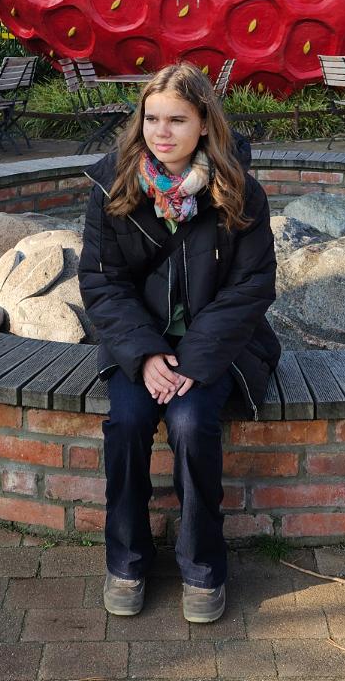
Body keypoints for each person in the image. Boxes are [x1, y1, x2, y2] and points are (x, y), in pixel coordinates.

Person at [78, 63, 280, 624]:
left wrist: (194, 360)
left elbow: (251, 284)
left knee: (191, 424)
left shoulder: (239, 192)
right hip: (139, 347)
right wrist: (145, 355)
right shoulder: (113, 187)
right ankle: (127, 560)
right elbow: (101, 281)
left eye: (177, 120)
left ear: (204, 123)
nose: (161, 132)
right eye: (152, 119)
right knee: (126, 423)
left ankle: (202, 567)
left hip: (216, 348)